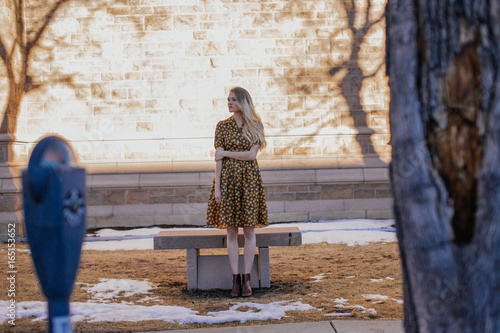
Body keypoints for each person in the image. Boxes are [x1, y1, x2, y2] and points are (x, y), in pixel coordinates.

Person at [206, 87, 268, 297]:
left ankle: (247, 278)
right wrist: (218, 188)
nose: (229, 102)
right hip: (228, 182)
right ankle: (235, 279)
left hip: (249, 181)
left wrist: (226, 152)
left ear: (243, 101)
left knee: (249, 231)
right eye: (228, 99)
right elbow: (218, 159)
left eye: (233, 99)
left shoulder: (255, 124)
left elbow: (252, 156)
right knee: (231, 230)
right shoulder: (222, 126)